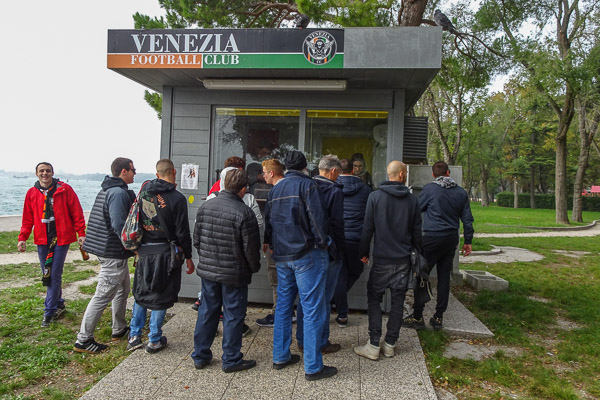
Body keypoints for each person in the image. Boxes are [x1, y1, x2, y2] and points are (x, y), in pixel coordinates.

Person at [265, 150, 337, 381]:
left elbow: (270, 224)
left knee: (284, 307)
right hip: (307, 256)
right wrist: (323, 243)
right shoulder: (308, 186)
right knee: (312, 308)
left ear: (285, 167)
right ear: (305, 167)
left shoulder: (276, 189)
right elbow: (317, 220)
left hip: (283, 257)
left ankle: (280, 356)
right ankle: (313, 367)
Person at [192, 169, 261, 372]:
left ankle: (200, 355)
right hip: (235, 273)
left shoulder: (205, 207)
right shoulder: (245, 213)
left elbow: (196, 239)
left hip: (208, 271)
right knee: (233, 315)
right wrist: (252, 268)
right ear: (243, 189)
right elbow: (251, 249)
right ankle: (231, 359)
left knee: (207, 311)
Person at [354, 161, 422, 361]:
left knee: (374, 297)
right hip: (403, 260)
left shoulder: (374, 197)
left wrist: (363, 252)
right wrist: (420, 253)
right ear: (401, 175)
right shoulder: (412, 201)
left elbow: (367, 229)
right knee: (398, 301)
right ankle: (390, 344)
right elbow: (417, 232)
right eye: (406, 172)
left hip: (382, 259)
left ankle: (374, 344)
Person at [127, 159, 195, 353]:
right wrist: (188, 257)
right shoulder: (177, 198)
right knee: (161, 293)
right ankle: (154, 339)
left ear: (157, 174)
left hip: (144, 251)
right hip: (166, 252)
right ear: (174, 172)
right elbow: (182, 232)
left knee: (142, 291)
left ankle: (134, 336)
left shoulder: (144, 192)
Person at [74, 158, 136, 354]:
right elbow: (119, 225)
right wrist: (132, 247)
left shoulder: (108, 189)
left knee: (123, 289)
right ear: (124, 171)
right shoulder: (118, 193)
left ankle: (119, 328)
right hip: (112, 252)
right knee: (103, 295)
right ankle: (83, 339)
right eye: (133, 170)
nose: (135, 173)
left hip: (109, 250)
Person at [404, 161, 474, 331]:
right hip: (450, 239)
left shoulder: (430, 189)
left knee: (422, 275)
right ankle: (438, 317)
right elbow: (467, 219)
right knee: (444, 278)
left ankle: (418, 316)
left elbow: (417, 209)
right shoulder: (460, 192)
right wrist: (468, 241)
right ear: (448, 173)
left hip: (432, 238)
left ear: (434, 175)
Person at [18, 162, 86, 327]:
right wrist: (23, 237)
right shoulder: (32, 193)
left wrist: (81, 233)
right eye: (41, 171)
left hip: (61, 238)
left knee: (53, 275)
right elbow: (27, 218)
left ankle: (49, 312)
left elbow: (76, 211)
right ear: (36, 174)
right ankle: (59, 302)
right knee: (47, 272)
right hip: (42, 239)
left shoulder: (65, 189)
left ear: (52, 172)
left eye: (48, 171)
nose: (45, 174)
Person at [296, 155, 344, 354]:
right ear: (333, 171)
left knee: (305, 299)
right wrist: (339, 251)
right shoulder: (334, 191)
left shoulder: (306, 186)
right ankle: (321, 342)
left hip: (305, 249)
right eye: (338, 172)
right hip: (328, 249)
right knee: (323, 298)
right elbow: (337, 224)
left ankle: (302, 339)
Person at [332, 158, 371, 327]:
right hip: (357, 239)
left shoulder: (332, 187)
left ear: (338, 171)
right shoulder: (365, 190)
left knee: (340, 275)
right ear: (353, 171)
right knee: (355, 271)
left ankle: (339, 309)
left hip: (337, 238)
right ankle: (341, 312)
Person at [255, 159, 284, 327]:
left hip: (278, 245)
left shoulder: (276, 191)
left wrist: (269, 242)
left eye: (264, 172)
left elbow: (271, 219)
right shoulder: (288, 188)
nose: (262, 175)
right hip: (288, 245)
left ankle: (278, 312)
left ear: (272, 173)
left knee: (276, 279)